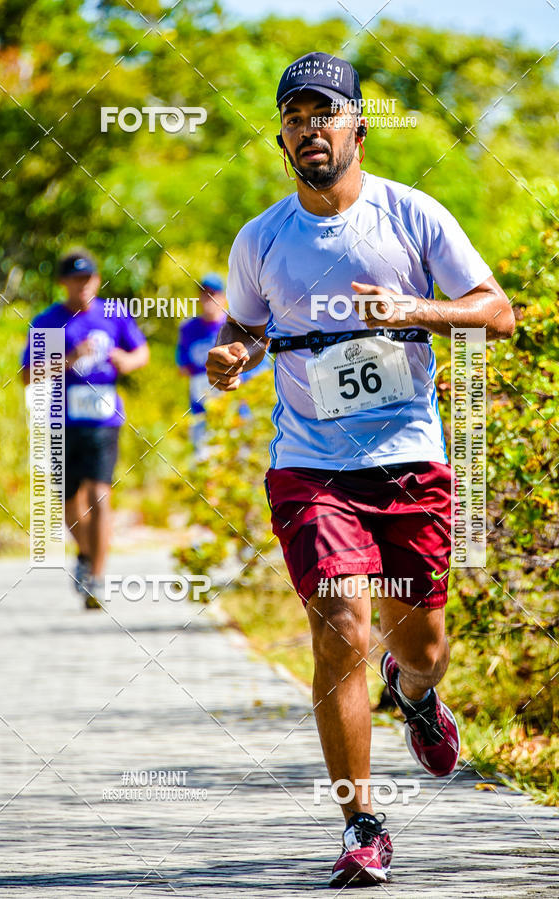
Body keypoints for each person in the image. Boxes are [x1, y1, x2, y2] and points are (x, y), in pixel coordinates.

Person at [206, 52, 515, 887]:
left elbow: (499, 312)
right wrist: (236, 352)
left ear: (357, 129)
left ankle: (413, 692)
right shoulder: (260, 238)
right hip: (311, 464)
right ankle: (362, 822)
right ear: (282, 137)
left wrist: (418, 309)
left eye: (325, 113)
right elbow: (248, 324)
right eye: (296, 117)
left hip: (409, 459)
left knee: (424, 643)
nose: (311, 128)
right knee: (338, 627)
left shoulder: (413, 217)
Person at [21, 251, 149, 609]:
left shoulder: (114, 314)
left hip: (103, 419)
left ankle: (97, 577)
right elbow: (28, 376)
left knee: (99, 494)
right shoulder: (47, 322)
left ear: (97, 279)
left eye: (90, 278)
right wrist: (70, 360)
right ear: (63, 283)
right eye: (77, 280)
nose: (84, 286)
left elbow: (141, 352)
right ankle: (87, 553)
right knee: (68, 503)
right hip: (61, 420)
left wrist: (126, 360)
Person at [176, 274, 227, 459]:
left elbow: (257, 368)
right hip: (200, 412)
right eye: (204, 293)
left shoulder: (235, 326)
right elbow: (182, 366)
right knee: (203, 463)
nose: (208, 299)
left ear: (223, 296)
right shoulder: (189, 328)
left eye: (213, 294)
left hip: (234, 413)